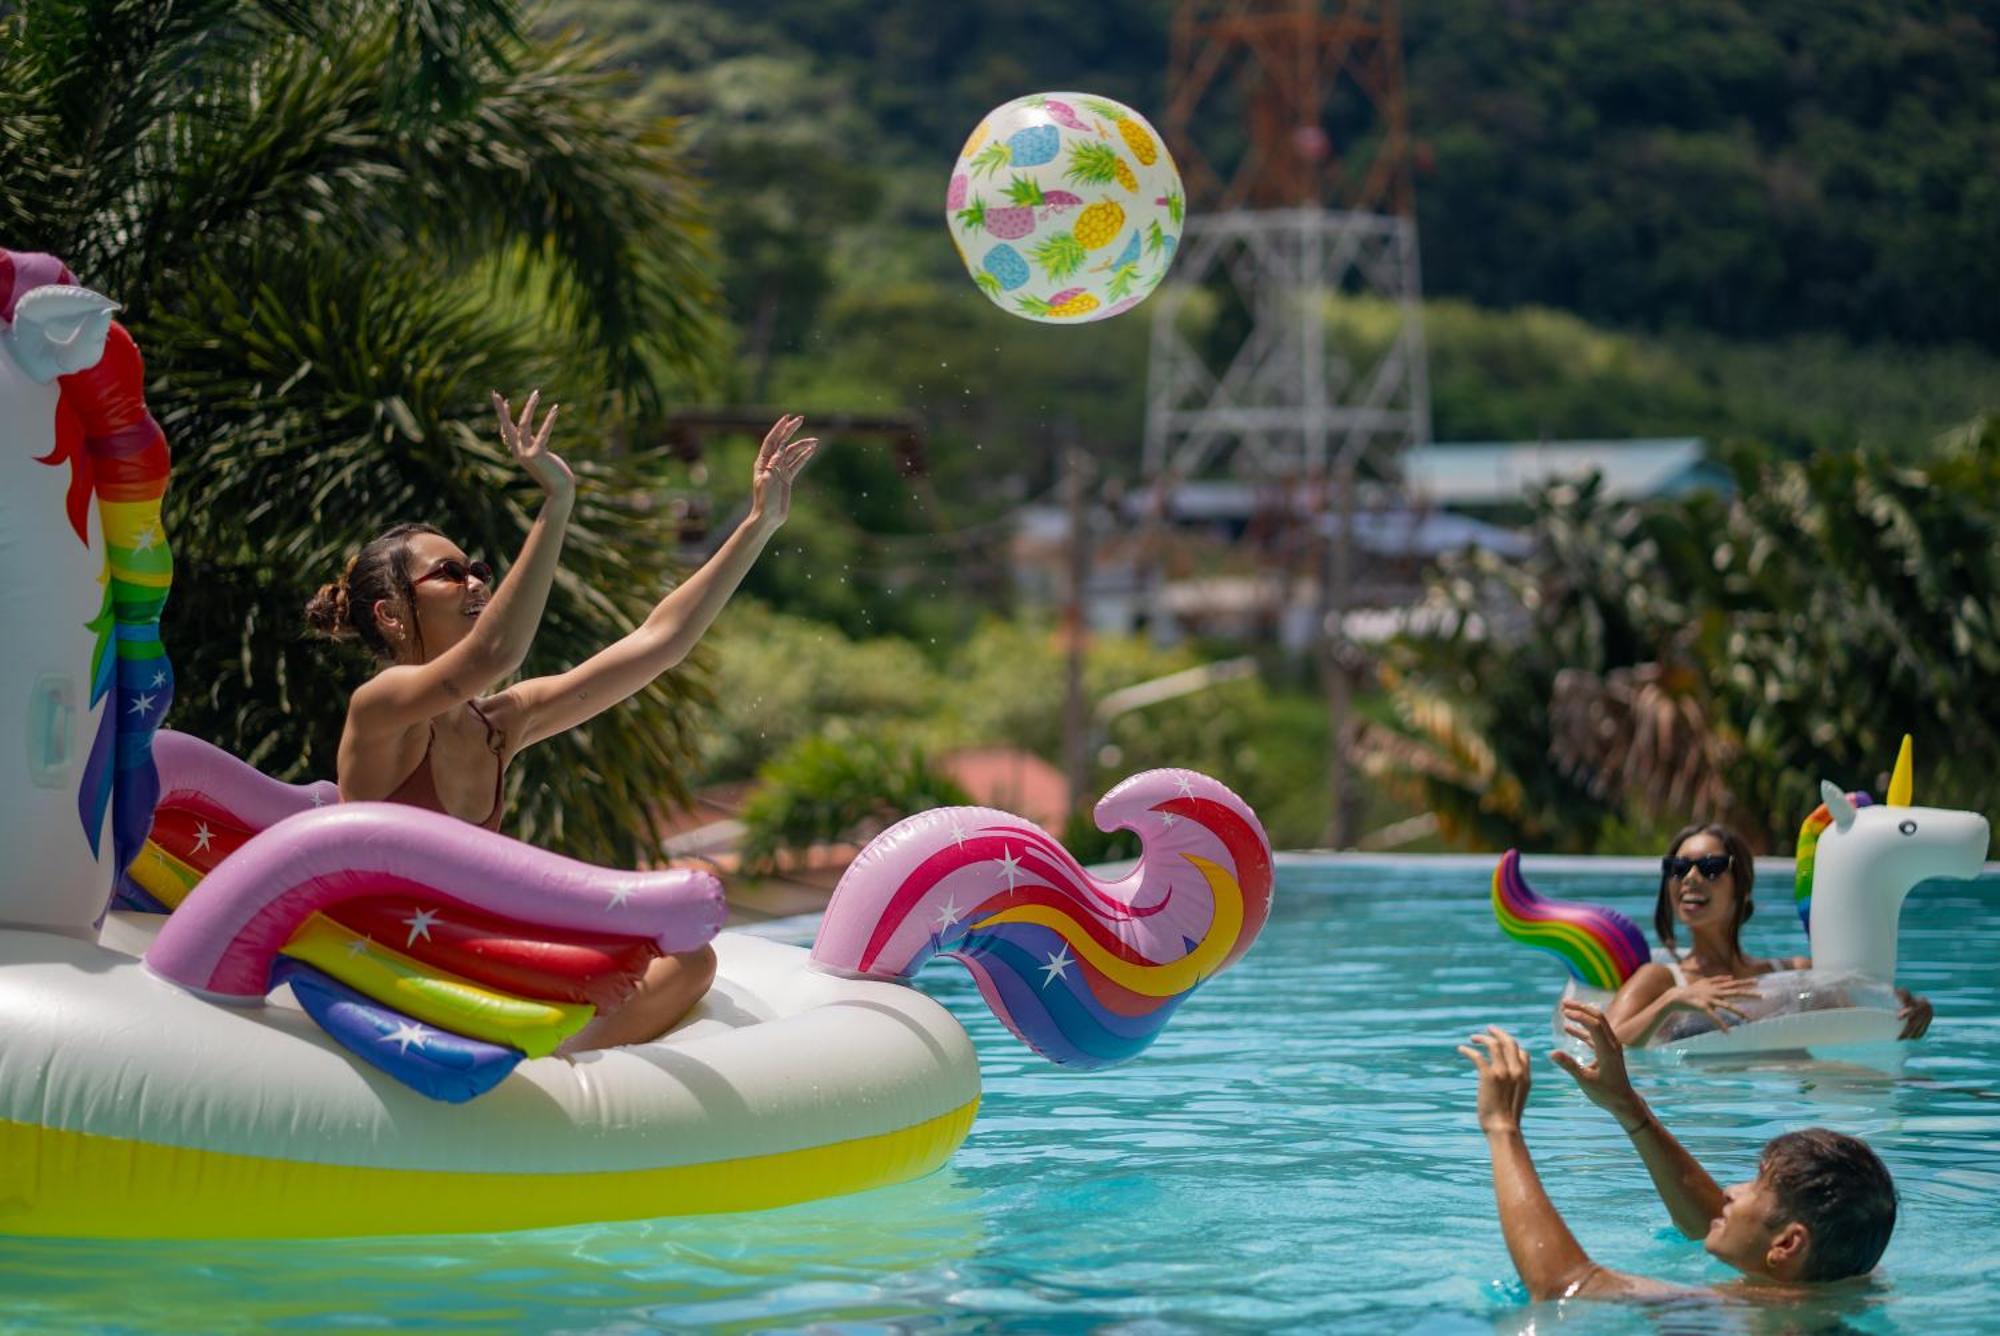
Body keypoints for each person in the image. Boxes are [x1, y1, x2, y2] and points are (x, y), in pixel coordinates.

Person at [304, 391, 819, 1052]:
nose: (475, 584)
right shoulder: (380, 707)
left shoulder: (499, 724)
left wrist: (758, 524)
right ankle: (549, 1062)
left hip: (475, 959)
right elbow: (495, 653)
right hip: (398, 970)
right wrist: (557, 502)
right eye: (449, 573)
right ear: (391, 615)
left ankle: (553, 1061)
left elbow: (656, 645)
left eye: (479, 570)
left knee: (689, 961)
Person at [1461, 1000, 1899, 1302]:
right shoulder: (1841, 1278)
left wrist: (1503, 1129)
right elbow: (1719, 1221)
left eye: (1756, 1185)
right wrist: (1625, 1104)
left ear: (1787, 1244)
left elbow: (1561, 1287)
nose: (1729, 1191)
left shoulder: (1736, 1316)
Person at [1604, 823, 1932, 1045]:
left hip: (1794, 1099)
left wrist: (1907, 1013)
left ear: (1742, 886)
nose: (1690, 877)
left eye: (1710, 867)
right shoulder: (1661, 981)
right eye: (1677, 868)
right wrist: (1670, 1002)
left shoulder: (1795, 973)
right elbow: (1604, 1042)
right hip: (1704, 1111)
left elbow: (1862, 1022)